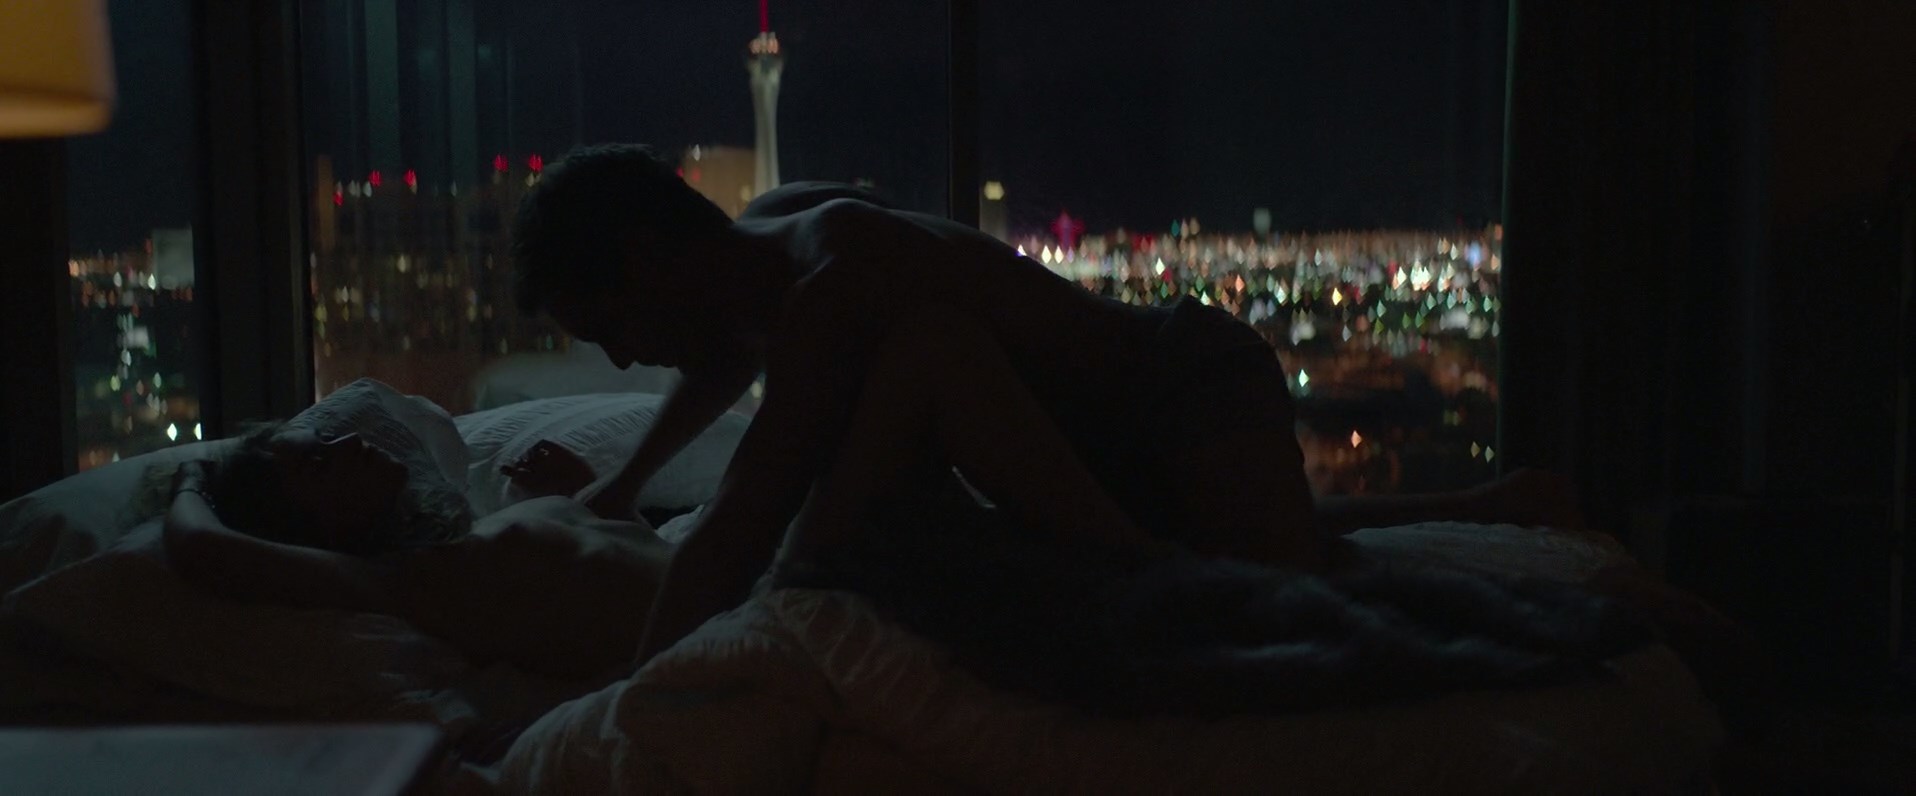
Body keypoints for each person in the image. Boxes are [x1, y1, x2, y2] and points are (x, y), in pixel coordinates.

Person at [509, 143, 1584, 666]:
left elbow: (738, 526)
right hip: (1110, 434)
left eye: (610, 327)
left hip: (1182, 391)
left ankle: (1518, 526)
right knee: (1248, 549)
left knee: (1284, 586)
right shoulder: (771, 243)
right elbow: (717, 363)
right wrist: (622, 487)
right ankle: (1494, 502)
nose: (622, 359)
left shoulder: (830, 286)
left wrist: (606, 708)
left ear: (648, 259)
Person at [162, 423, 671, 681]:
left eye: (327, 439)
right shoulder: (404, 581)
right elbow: (205, 550)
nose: (351, 440)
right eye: (319, 464)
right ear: (299, 528)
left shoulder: (466, 540)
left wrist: (602, 504)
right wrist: (191, 480)